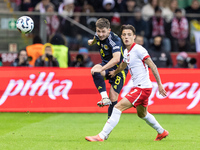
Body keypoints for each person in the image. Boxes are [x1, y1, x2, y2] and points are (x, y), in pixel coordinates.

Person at [85, 24, 168, 142]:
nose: (126, 37)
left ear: (134, 37)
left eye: (129, 35)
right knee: (142, 114)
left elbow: (153, 66)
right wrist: (115, 72)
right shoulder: (127, 51)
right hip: (142, 88)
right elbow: (123, 64)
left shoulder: (139, 49)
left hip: (142, 88)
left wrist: (160, 84)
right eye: (124, 35)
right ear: (121, 37)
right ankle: (162, 132)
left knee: (117, 107)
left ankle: (101, 136)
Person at [88, 18, 128, 119]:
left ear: (109, 30)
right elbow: (95, 38)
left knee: (113, 97)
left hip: (119, 69)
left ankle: (110, 123)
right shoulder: (97, 35)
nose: (100, 34)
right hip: (107, 65)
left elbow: (116, 59)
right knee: (94, 70)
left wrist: (102, 69)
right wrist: (91, 42)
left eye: (103, 31)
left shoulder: (115, 40)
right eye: (98, 31)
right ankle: (104, 98)